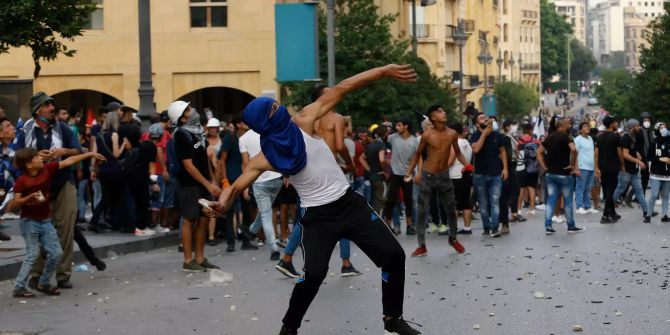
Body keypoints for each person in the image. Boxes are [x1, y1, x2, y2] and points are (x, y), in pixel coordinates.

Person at [206, 64, 420, 335]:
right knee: (314, 275)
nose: (281, 109)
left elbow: (344, 87)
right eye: (274, 109)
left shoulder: (306, 119)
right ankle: (289, 328)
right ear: (265, 123)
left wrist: (384, 71)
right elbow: (237, 185)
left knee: (393, 255)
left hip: (349, 204)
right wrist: (223, 202)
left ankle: (393, 318)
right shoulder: (267, 157)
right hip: (318, 218)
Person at [11, 148, 105, 298]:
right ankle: (19, 286)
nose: (41, 158)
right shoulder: (22, 181)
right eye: (36, 157)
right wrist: (29, 198)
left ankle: (43, 282)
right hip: (29, 222)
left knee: (56, 253)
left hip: (45, 221)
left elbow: (68, 161)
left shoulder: (47, 170)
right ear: (29, 165)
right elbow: (16, 202)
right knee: (33, 254)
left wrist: (90, 154)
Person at [15, 92, 82, 290]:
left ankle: (63, 274)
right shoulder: (25, 130)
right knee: (37, 229)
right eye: (47, 105)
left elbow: (78, 150)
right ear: (38, 110)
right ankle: (37, 274)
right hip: (36, 187)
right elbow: (17, 157)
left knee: (66, 228)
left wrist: (64, 152)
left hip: (62, 182)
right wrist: (36, 157)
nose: (52, 108)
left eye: (52, 105)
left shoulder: (64, 129)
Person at [405, 105, 468, 257]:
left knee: (451, 209)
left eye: (443, 110)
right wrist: (409, 172)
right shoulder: (427, 135)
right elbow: (418, 154)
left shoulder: (452, 134)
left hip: (444, 176)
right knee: (422, 211)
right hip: (427, 176)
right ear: (433, 117)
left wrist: (467, 165)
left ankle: (453, 239)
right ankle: (421, 246)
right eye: (440, 111)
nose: (444, 112)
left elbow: (458, 153)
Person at [168, 101, 222, 272]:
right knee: (190, 219)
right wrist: (207, 183)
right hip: (188, 184)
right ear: (182, 118)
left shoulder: (199, 133)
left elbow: (204, 158)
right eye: (188, 109)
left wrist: (211, 180)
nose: (193, 111)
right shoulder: (181, 135)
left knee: (204, 219)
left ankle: (199, 258)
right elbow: (188, 165)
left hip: (203, 183)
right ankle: (188, 260)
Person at [239, 128, 283, 260]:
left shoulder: (243, 139)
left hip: (259, 179)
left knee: (265, 214)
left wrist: (246, 184)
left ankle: (274, 247)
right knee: (266, 211)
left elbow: (246, 163)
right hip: (277, 176)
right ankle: (252, 231)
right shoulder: (269, 131)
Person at [536, 118, 585, 234]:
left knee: (551, 200)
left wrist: (544, 166)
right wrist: (572, 165)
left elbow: (539, 152)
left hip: (551, 173)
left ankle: (548, 226)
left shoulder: (549, 137)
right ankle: (571, 226)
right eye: (569, 124)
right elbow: (574, 150)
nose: (570, 126)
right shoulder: (567, 137)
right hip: (564, 174)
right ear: (563, 126)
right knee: (567, 201)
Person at [470, 113, 508, 237]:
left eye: (486, 117)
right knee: (483, 203)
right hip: (480, 175)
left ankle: (494, 228)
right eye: (481, 118)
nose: (485, 119)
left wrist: (505, 169)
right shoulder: (474, 136)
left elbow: (502, 152)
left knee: (495, 201)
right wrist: (484, 134)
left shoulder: (497, 136)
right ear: (477, 124)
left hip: (496, 174)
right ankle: (486, 227)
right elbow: (476, 149)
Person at [384, 118, 418, 235]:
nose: (396, 127)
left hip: (407, 175)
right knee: (391, 201)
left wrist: (413, 171)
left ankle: (409, 226)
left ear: (406, 126)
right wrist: (384, 128)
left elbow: (417, 157)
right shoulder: (393, 138)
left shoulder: (414, 141)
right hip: (394, 174)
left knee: (409, 201)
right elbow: (382, 137)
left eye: (399, 125)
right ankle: (388, 225)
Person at [612, 119, 650, 217]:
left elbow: (633, 150)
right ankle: (610, 207)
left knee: (639, 189)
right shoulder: (626, 137)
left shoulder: (636, 136)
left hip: (634, 169)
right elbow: (625, 154)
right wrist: (638, 161)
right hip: (626, 170)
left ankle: (646, 211)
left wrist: (637, 154)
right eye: (637, 126)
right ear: (632, 127)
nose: (639, 127)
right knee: (620, 189)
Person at [448, 123, 474, 235]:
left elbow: (451, 160)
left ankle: (453, 228)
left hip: (455, 175)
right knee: (465, 202)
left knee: (454, 203)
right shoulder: (467, 143)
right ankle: (467, 228)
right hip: (466, 175)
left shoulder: (455, 143)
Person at [596, 116, 622, 224]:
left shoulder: (599, 137)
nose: (616, 125)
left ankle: (613, 213)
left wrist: (596, 167)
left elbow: (596, 153)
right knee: (610, 191)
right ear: (611, 124)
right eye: (615, 123)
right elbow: (619, 152)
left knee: (606, 189)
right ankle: (605, 215)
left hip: (603, 167)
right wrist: (622, 164)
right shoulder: (616, 137)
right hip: (613, 166)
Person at [360, 125, 388, 216]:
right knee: (380, 203)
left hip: (372, 176)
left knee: (375, 202)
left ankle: (373, 222)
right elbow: (382, 159)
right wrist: (385, 171)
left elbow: (362, 158)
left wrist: (370, 169)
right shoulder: (381, 145)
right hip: (380, 177)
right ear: (385, 134)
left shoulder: (371, 145)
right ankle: (378, 225)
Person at [645, 122, 670, 223]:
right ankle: (648, 215)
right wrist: (660, 159)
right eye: (661, 128)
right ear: (657, 130)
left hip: (668, 173)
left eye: (665, 127)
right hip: (656, 172)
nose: (663, 129)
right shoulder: (655, 142)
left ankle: (664, 215)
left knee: (666, 195)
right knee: (654, 194)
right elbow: (649, 157)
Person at [574, 122, 598, 214]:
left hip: (591, 167)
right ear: (580, 130)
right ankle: (579, 207)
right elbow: (574, 154)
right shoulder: (577, 139)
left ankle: (587, 206)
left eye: (588, 126)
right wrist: (576, 168)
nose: (587, 128)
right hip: (582, 166)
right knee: (580, 187)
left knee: (588, 188)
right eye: (584, 126)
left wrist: (596, 167)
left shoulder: (590, 138)